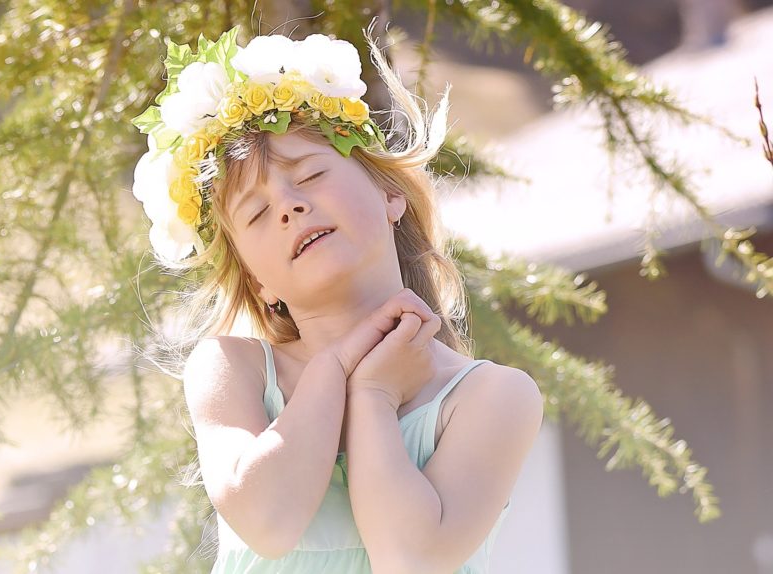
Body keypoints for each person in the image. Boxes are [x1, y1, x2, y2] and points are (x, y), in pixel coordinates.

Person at [131, 23, 544, 574]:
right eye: (256, 213)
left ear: (390, 193)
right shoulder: (234, 370)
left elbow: (410, 558)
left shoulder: (492, 396)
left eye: (312, 174)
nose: (288, 207)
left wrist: (372, 394)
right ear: (259, 282)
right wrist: (343, 364)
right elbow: (270, 521)